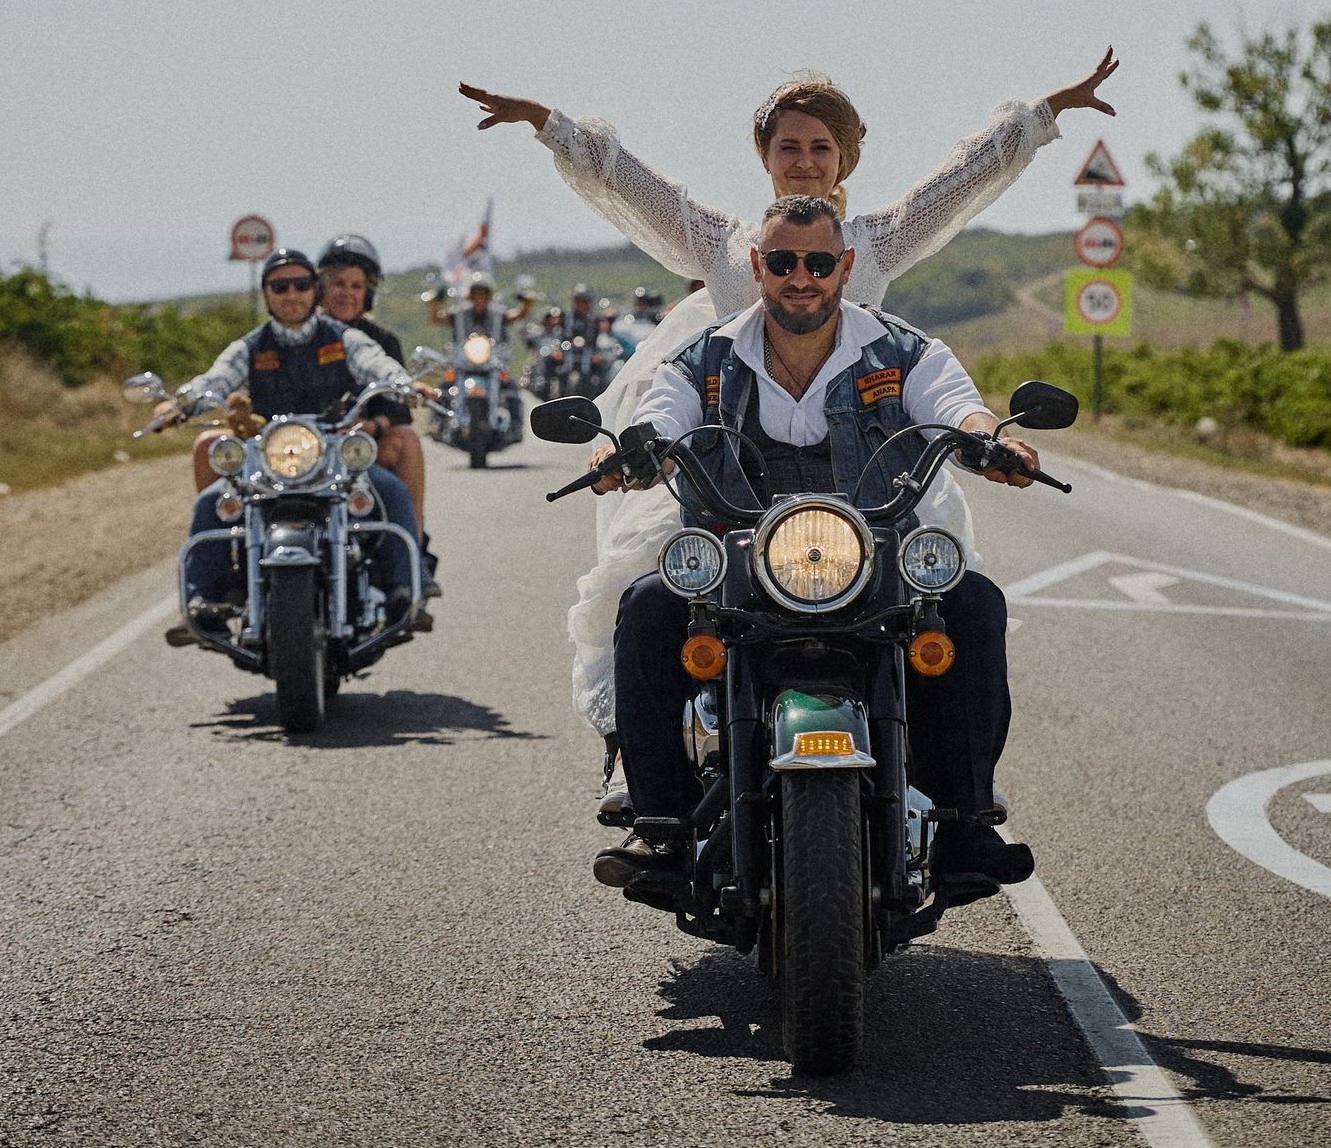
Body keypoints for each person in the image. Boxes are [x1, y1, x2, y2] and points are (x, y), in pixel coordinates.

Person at [457, 55, 1117, 743]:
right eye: (789, 147)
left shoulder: (877, 246)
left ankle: (959, 801)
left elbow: (960, 185)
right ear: (766, 161)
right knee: (645, 593)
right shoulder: (724, 245)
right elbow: (631, 181)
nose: (804, 162)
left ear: (845, 164)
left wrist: (1044, 116)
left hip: (868, 480)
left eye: (821, 147)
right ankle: (645, 774)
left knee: (960, 601)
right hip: (728, 471)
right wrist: (547, 124)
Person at [590, 195, 1041, 897]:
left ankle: (963, 822)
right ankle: (661, 823)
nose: (801, 276)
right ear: (757, 267)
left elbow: (957, 404)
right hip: (739, 562)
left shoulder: (902, 351)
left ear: (846, 266)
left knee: (974, 602)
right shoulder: (704, 358)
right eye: (782, 262)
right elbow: (660, 411)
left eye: (819, 262)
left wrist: (991, 439)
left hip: (874, 555)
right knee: (646, 607)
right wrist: (637, 448)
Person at [169, 249, 435, 631]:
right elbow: (215, 380)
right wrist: (178, 405)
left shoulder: (345, 339)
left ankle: (405, 590)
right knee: (213, 503)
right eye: (280, 286)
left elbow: (376, 364)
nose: (291, 294)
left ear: (314, 290)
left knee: (389, 491)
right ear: (266, 293)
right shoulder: (249, 347)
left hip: (333, 457)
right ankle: (204, 599)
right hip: (268, 459)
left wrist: (405, 385)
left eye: (301, 284)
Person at [314, 233, 440, 598]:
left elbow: (397, 409)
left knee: (407, 439)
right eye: (337, 283)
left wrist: (372, 425)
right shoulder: (304, 335)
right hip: (301, 450)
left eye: (356, 285)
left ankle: (411, 557)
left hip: (360, 450)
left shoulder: (381, 340)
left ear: (368, 293)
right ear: (320, 287)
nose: (346, 293)